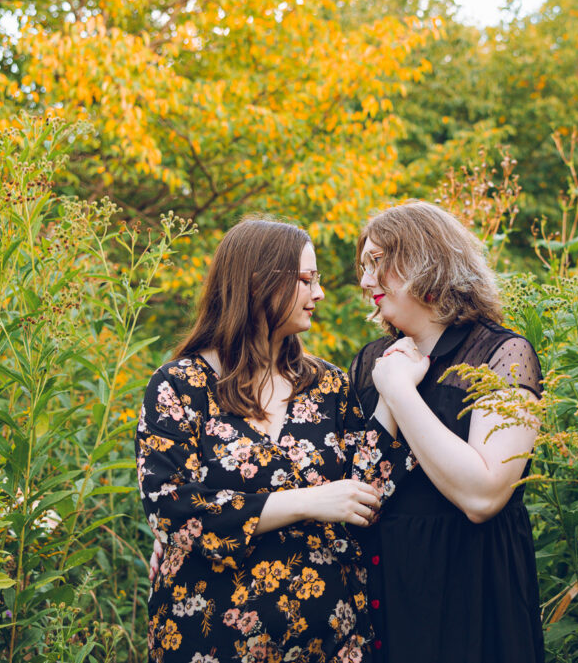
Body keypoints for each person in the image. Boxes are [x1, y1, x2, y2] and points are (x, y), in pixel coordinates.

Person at [136, 218, 409, 663]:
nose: (318, 294)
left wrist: (397, 395)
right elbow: (171, 510)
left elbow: (367, 490)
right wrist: (306, 501)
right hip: (210, 642)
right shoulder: (179, 386)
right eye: (307, 280)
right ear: (258, 284)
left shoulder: (329, 385)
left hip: (328, 642)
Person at [351, 201, 544, 663]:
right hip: (385, 588)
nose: (365, 281)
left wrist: (400, 394)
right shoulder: (369, 361)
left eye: (377, 263)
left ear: (425, 262)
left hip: (472, 589)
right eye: (364, 266)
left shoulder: (503, 354)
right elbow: (356, 484)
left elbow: (483, 496)